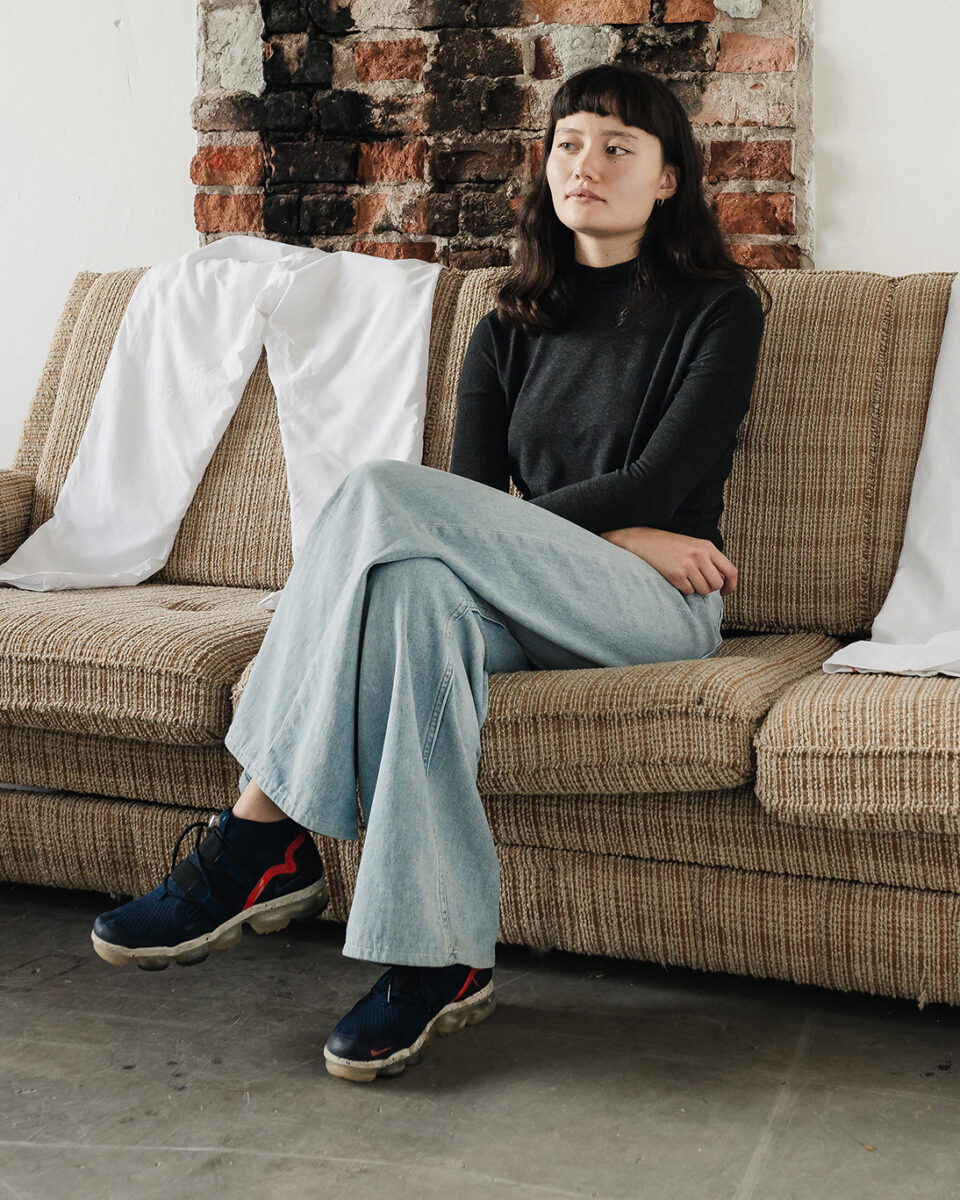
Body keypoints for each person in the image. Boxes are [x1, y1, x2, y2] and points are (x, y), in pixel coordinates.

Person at [90, 63, 770, 1083]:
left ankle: (258, 835)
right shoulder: (506, 323)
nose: (586, 163)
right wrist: (605, 530)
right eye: (571, 142)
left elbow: (662, 476)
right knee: (410, 591)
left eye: (619, 147)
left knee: (377, 494)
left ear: (668, 180)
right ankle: (438, 957)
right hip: (539, 587)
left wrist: (605, 540)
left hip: (659, 602)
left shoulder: (720, 311)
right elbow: (465, 510)